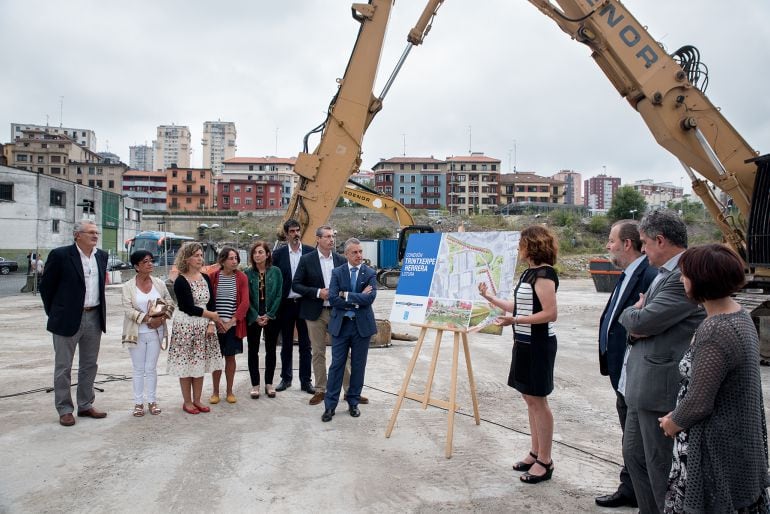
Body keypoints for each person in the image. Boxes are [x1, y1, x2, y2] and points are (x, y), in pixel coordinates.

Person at [659, 244, 769, 513]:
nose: (682, 280)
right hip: (737, 442)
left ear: (701, 280)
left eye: (685, 274)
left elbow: (700, 400)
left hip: (715, 448)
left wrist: (673, 422)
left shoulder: (716, 329)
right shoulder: (740, 315)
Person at [617, 210, 705, 513]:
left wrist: (632, 312)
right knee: (636, 457)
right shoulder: (665, 275)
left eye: (644, 243)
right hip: (642, 387)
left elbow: (641, 322)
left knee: (659, 466)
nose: (643, 250)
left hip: (659, 390)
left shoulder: (683, 276)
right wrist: (638, 317)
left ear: (660, 240)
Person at [478, 225, 559, 483]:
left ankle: (545, 461)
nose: (518, 248)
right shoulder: (528, 274)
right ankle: (535, 452)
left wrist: (515, 320)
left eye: (521, 243)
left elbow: (549, 313)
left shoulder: (544, 275)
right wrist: (489, 297)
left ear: (531, 245)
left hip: (538, 345)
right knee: (529, 399)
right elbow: (520, 305)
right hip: (523, 343)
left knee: (539, 401)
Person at [595, 220, 657, 508]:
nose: (608, 246)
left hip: (635, 372)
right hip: (621, 371)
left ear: (627, 244)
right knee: (630, 438)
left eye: (611, 240)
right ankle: (630, 487)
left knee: (638, 440)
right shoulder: (627, 274)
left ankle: (643, 494)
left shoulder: (648, 275)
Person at [39, 219, 109, 427]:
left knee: (89, 364)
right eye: (90, 233)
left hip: (94, 316)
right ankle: (65, 409)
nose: (95, 236)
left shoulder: (101, 257)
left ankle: (86, 404)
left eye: (96, 232)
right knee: (64, 366)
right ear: (77, 235)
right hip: (67, 318)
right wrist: (56, 313)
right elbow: (46, 288)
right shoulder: (61, 255)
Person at [293, 225, 368, 406]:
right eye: (327, 236)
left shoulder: (341, 260)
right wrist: (318, 292)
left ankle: (350, 391)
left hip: (338, 312)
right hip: (315, 312)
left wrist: (360, 291)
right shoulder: (306, 260)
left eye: (333, 236)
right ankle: (321, 390)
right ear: (318, 239)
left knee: (343, 352)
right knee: (318, 352)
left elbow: (350, 283)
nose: (331, 240)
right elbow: (296, 285)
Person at [322, 238, 377, 422]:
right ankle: (330, 406)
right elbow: (333, 298)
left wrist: (346, 295)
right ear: (346, 254)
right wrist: (357, 297)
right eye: (354, 252)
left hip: (362, 327)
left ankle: (353, 402)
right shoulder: (337, 272)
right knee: (337, 365)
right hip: (341, 326)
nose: (359, 255)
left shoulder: (369, 273)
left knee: (358, 366)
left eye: (360, 251)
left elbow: (370, 299)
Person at [167, 242, 221, 415]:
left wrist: (212, 323)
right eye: (196, 255)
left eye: (201, 255)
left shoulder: (205, 278)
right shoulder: (181, 281)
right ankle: (187, 401)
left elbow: (212, 303)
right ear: (187, 259)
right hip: (186, 327)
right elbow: (187, 307)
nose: (200, 258)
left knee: (199, 364)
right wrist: (211, 316)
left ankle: (197, 399)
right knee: (186, 365)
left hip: (204, 325)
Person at [121, 250, 175, 417]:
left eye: (151, 261)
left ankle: (152, 401)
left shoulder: (159, 283)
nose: (150, 264)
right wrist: (147, 320)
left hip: (156, 332)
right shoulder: (128, 287)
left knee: (151, 368)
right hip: (137, 333)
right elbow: (128, 309)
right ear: (137, 266)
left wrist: (162, 318)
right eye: (145, 262)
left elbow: (170, 302)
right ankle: (138, 403)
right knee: (138, 369)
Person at [272, 219, 315, 394]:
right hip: (286, 304)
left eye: (298, 230)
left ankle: (306, 381)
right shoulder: (278, 255)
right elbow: (273, 280)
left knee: (306, 344)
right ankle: (286, 378)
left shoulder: (311, 253)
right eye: (292, 231)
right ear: (286, 234)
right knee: (286, 343)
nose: (296, 234)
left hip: (304, 304)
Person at [207, 246, 249, 405]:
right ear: (222, 260)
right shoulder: (212, 277)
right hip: (216, 325)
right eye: (231, 258)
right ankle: (215, 392)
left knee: (230, 358)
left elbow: (245, 303)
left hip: (232, 326)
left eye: (236, 258)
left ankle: (230, 391)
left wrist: (231, 322)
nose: (234, 261)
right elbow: (209, 302)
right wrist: (216, 322)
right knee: (217, 359)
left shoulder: (241, 277)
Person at [244, 241, 283, 399]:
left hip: (271, 317)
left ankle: (269, 384)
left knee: (271, 351)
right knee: (253, 351)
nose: (257, 255)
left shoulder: (276, 272)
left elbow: (279, 294)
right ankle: (255, 385)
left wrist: (269, 314)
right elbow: (245, 297)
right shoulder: (247, 273)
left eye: (260, 252)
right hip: (253, 317)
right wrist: (255, 315)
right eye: (255, 253)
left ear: (267, 254)